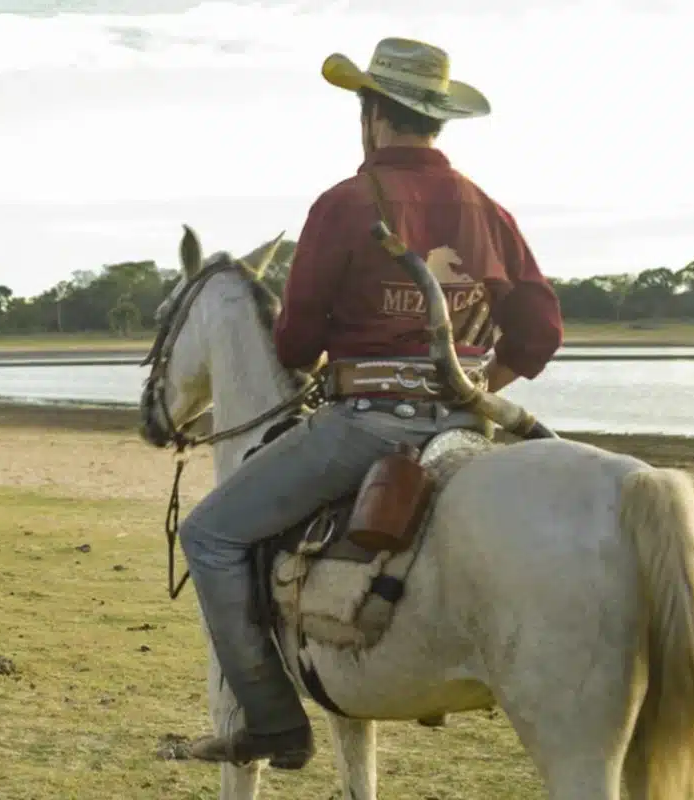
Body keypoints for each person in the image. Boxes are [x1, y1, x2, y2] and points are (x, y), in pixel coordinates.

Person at [180, 37, 564, 767]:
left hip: (365, 428)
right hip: (467, 430)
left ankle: (273, 722)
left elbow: (295, 344)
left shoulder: (345, 204)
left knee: (210, 535)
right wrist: (476, 387)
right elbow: (542, 331)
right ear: (436, 119)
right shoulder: (487, 208)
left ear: (372, 114)